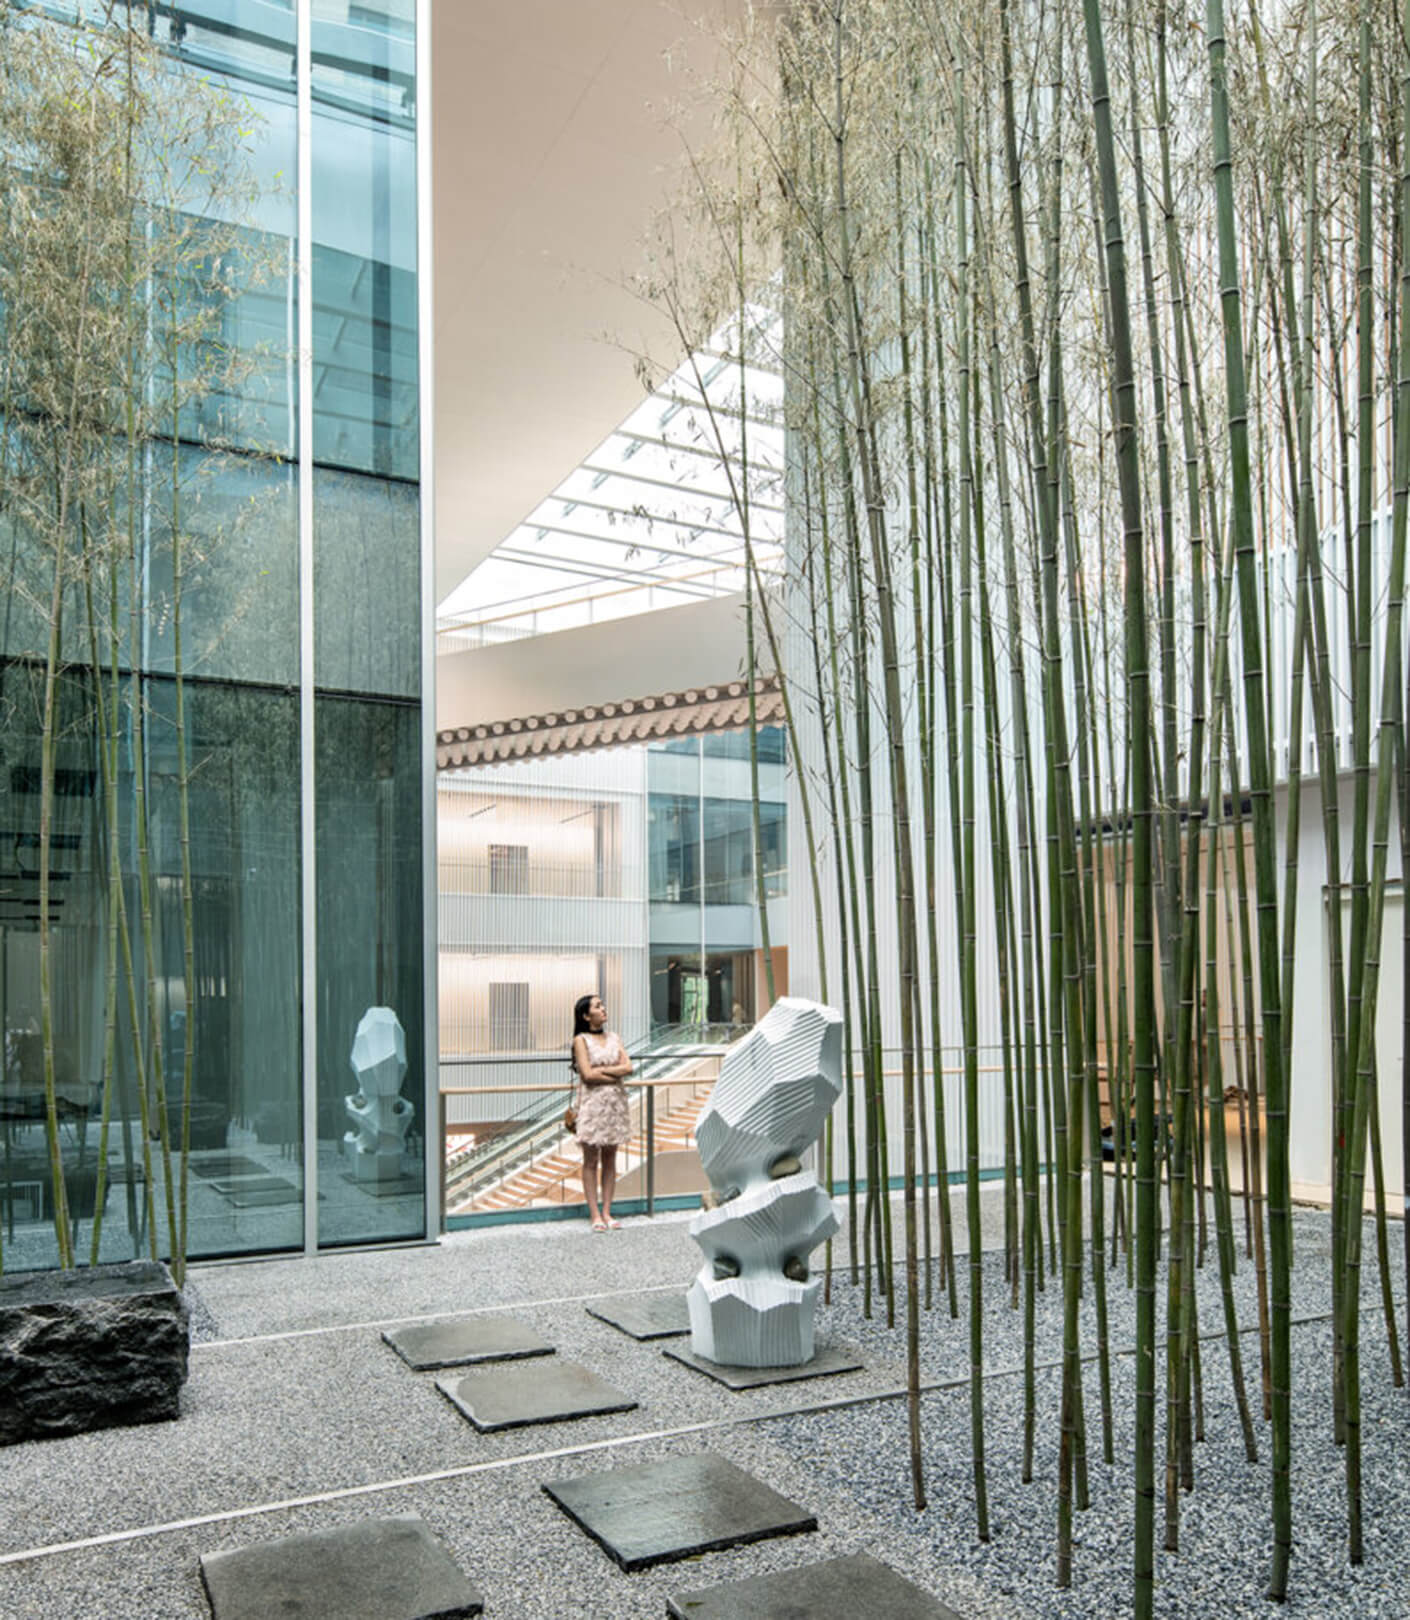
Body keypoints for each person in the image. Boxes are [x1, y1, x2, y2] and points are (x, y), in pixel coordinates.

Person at [570, 993, 633, 1231]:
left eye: (602, 1005)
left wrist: (603, 1072)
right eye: (597, 1006)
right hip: (592, 1105)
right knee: (590, 1160)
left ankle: (607, 1211)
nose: (603, 1008)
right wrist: (615, 1074)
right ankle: (594, 1214)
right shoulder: (581, 1040)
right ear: (586, 1016)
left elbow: (629, 1067)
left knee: (610, 1158)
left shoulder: (614, 1037)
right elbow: (587, 1075)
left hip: (615, 1105)